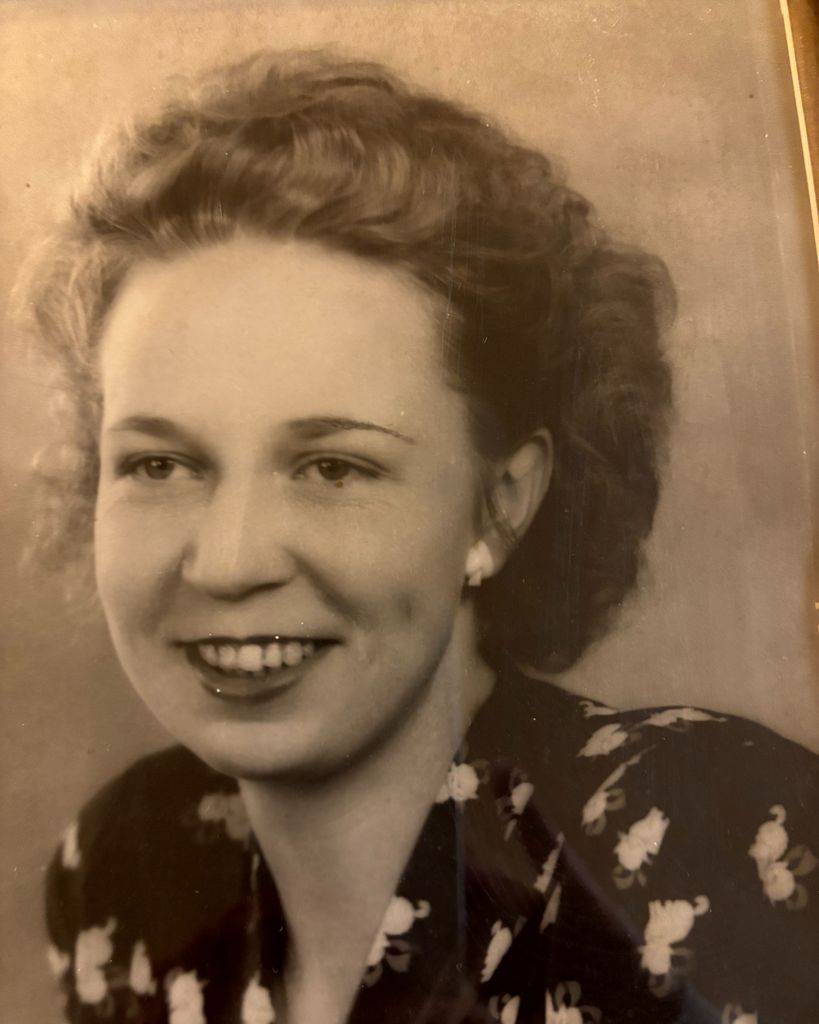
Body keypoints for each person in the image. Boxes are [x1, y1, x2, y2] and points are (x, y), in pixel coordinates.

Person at [21, 49, 817, 1024]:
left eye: (333, 468)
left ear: (499, 505)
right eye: (160, 464)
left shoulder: (713, 832)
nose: (228, 562)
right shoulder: (128, 870)